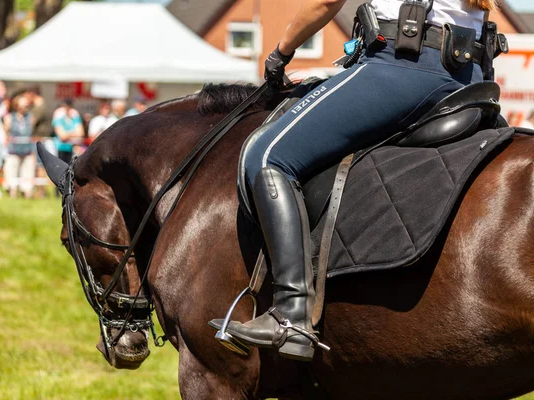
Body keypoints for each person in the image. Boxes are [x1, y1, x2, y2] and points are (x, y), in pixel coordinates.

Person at [213, 0, 498, 362]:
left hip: (403, 68)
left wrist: (280, 53)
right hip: (470, 76)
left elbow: (325, 3)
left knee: (267, 156)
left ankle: (291, 313)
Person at [3, 96, 36, 199]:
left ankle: (26, 194)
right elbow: (6, 133)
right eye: (23, 105)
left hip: (27, 150)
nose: (25, 107)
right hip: (13, 150)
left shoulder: (31, 118)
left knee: (27, 175)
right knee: (11, 174)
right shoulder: (9, 118)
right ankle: (12, 194)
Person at [52, 98, 84, 165]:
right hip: (60, 148)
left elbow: (81, 133)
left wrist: (67, 134)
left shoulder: (74, 114)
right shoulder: (58, 114)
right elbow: (62, 136)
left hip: (72, 148)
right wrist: (73, 133)